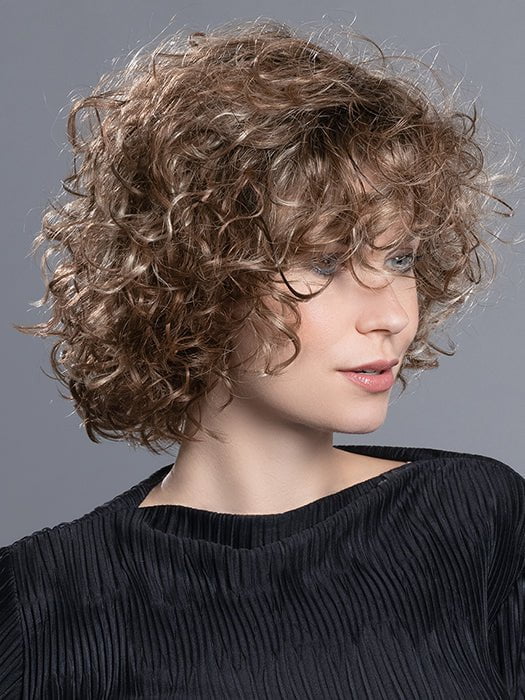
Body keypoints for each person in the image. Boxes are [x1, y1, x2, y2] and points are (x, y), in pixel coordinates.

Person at [1, 17, 523, 698]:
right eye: (325, 262)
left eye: (399, 260)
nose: (392, 315)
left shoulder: (472, 518)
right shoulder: (41, 601)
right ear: (197, 277)